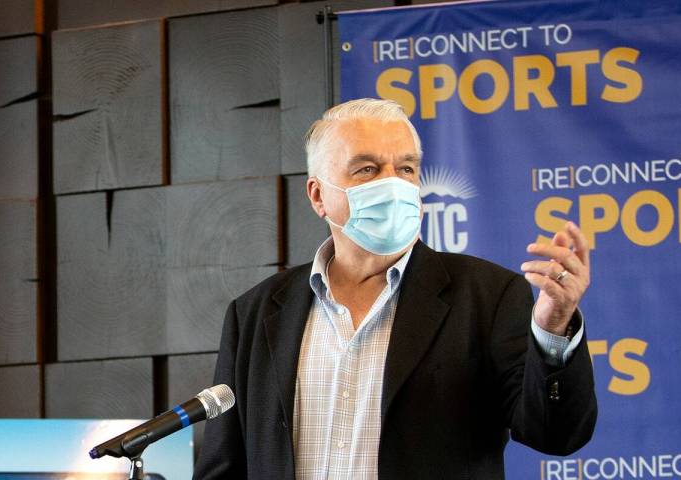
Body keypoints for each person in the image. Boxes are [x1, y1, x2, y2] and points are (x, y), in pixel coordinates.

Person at [194, 98, 597, 479]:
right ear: (319, 196)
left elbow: (555, 434)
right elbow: (224, 465)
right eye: (367, 169)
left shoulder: (487, 295)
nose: (394, 185)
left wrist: (553, 329)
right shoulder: (256, 312)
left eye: (406, 169)